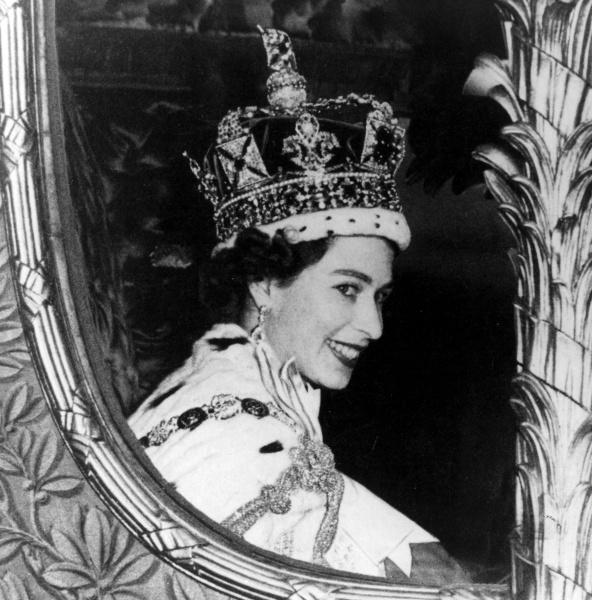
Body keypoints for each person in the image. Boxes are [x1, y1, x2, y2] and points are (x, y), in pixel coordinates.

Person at [127, 28, 463, 582]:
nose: (373, 327)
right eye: (347, 289)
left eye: (380, 297)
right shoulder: (238, 431)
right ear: (263, 282)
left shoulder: (258, 395)